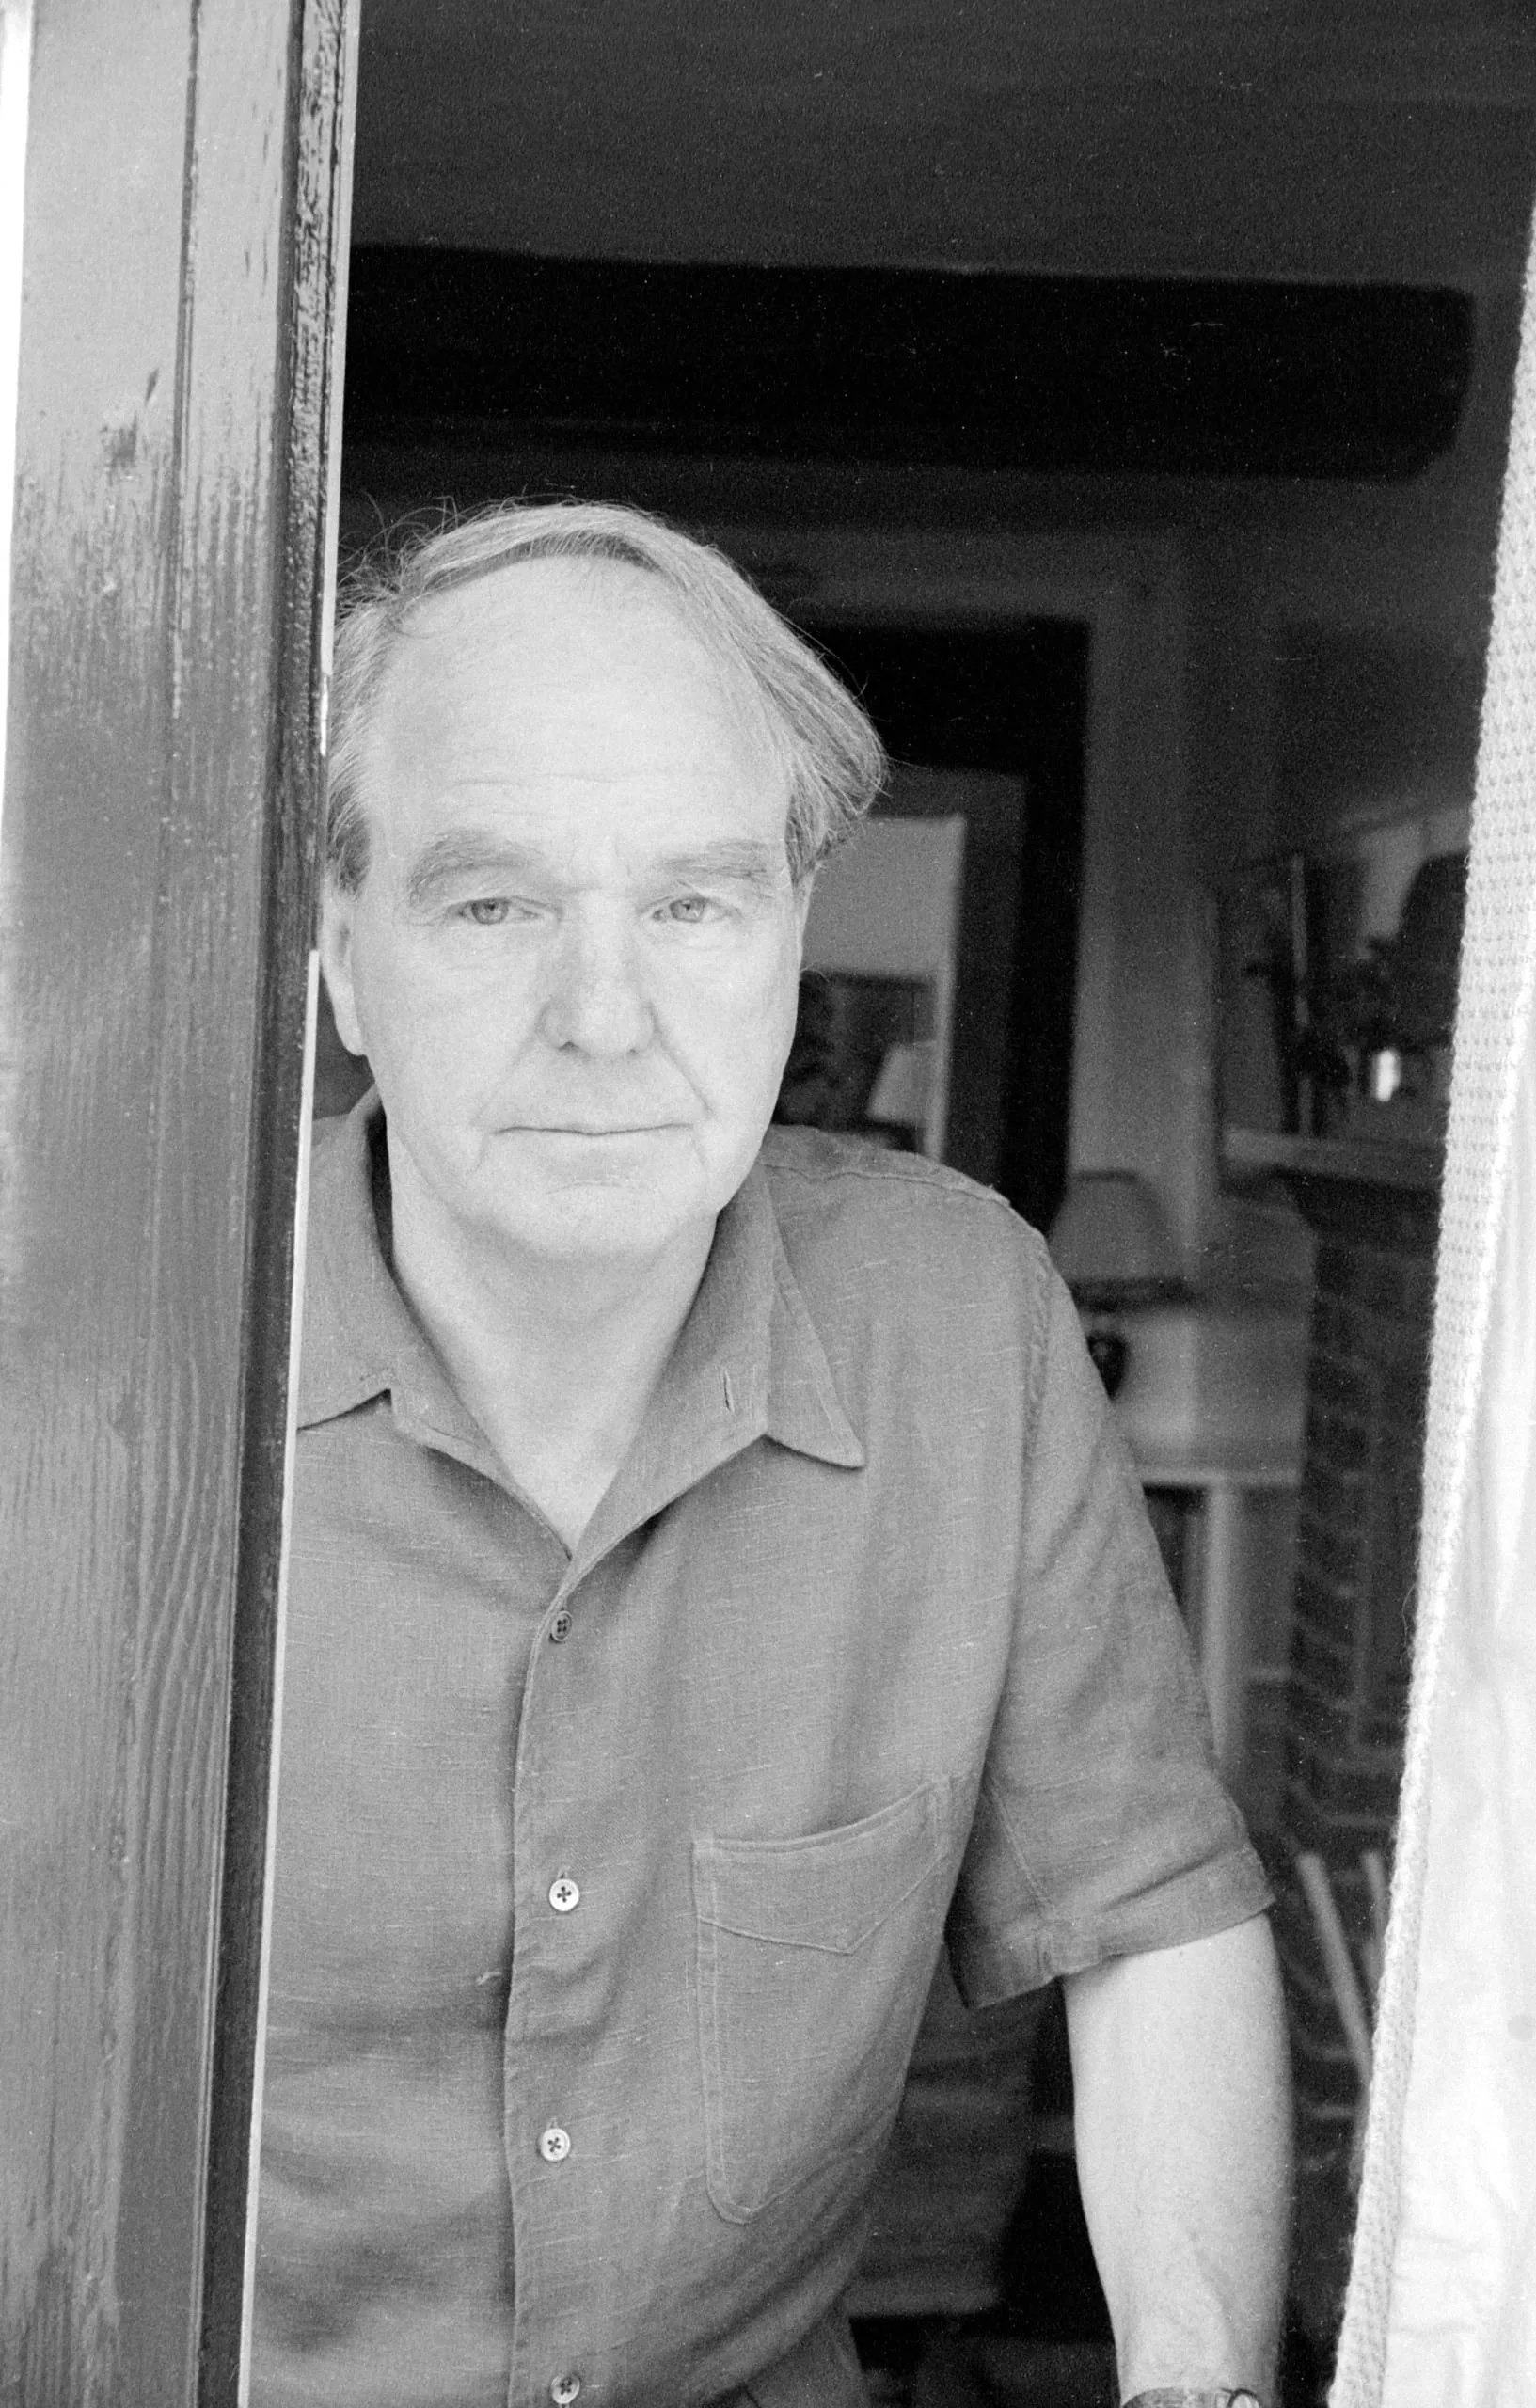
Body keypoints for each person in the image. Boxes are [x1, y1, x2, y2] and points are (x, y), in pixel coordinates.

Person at [254, 498, 1291, 2408]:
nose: (603, 1017)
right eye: (492, 905)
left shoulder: (957, 1320)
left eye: (693, 904)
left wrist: (1196, 2383)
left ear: (791, 941)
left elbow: (1146, 1915)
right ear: (337, 957)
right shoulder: (118, 1362)